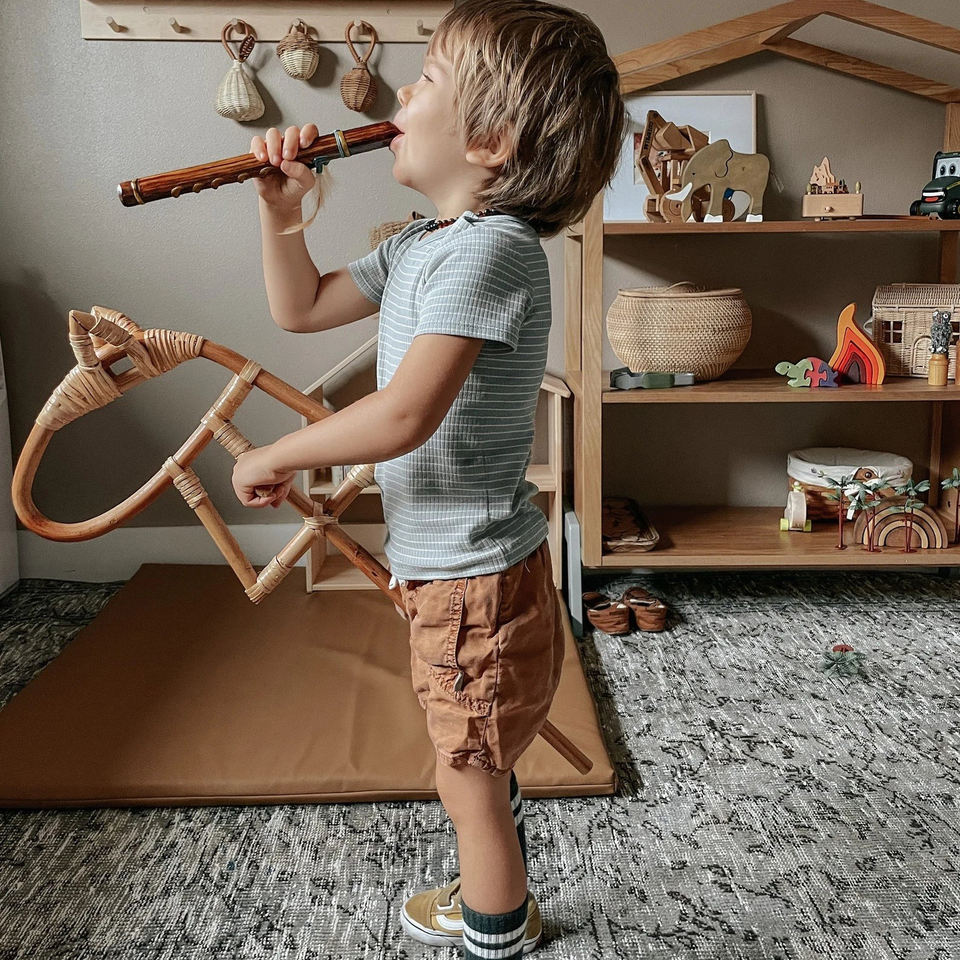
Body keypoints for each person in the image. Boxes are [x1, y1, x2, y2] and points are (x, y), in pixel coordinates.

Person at [230, 2, 624, 955]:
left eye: (429, 80)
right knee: (480, 746)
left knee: (466, 771)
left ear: (490, 141)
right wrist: (280, 213)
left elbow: (406, 414)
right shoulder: (421, 243)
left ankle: (496, 925)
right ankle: (498, 875)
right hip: (451, 567)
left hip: (471, 579)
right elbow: (301, 307)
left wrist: (277, 453)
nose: (402, 93)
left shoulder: (492, 251)